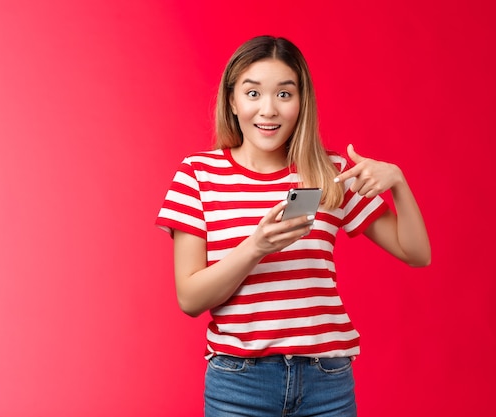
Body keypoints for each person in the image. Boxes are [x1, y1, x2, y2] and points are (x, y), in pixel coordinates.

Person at [156, 35, 431, 417]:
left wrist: (398, 182)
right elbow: (190, 299)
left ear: (301, 103)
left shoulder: (329, 173)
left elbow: (417, 254)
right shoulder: (198, 175)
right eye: (253, 94)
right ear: (232, 100)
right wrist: (256, 247)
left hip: (327, 382)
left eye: (284, 95)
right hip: (239, 384)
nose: (268, 110)